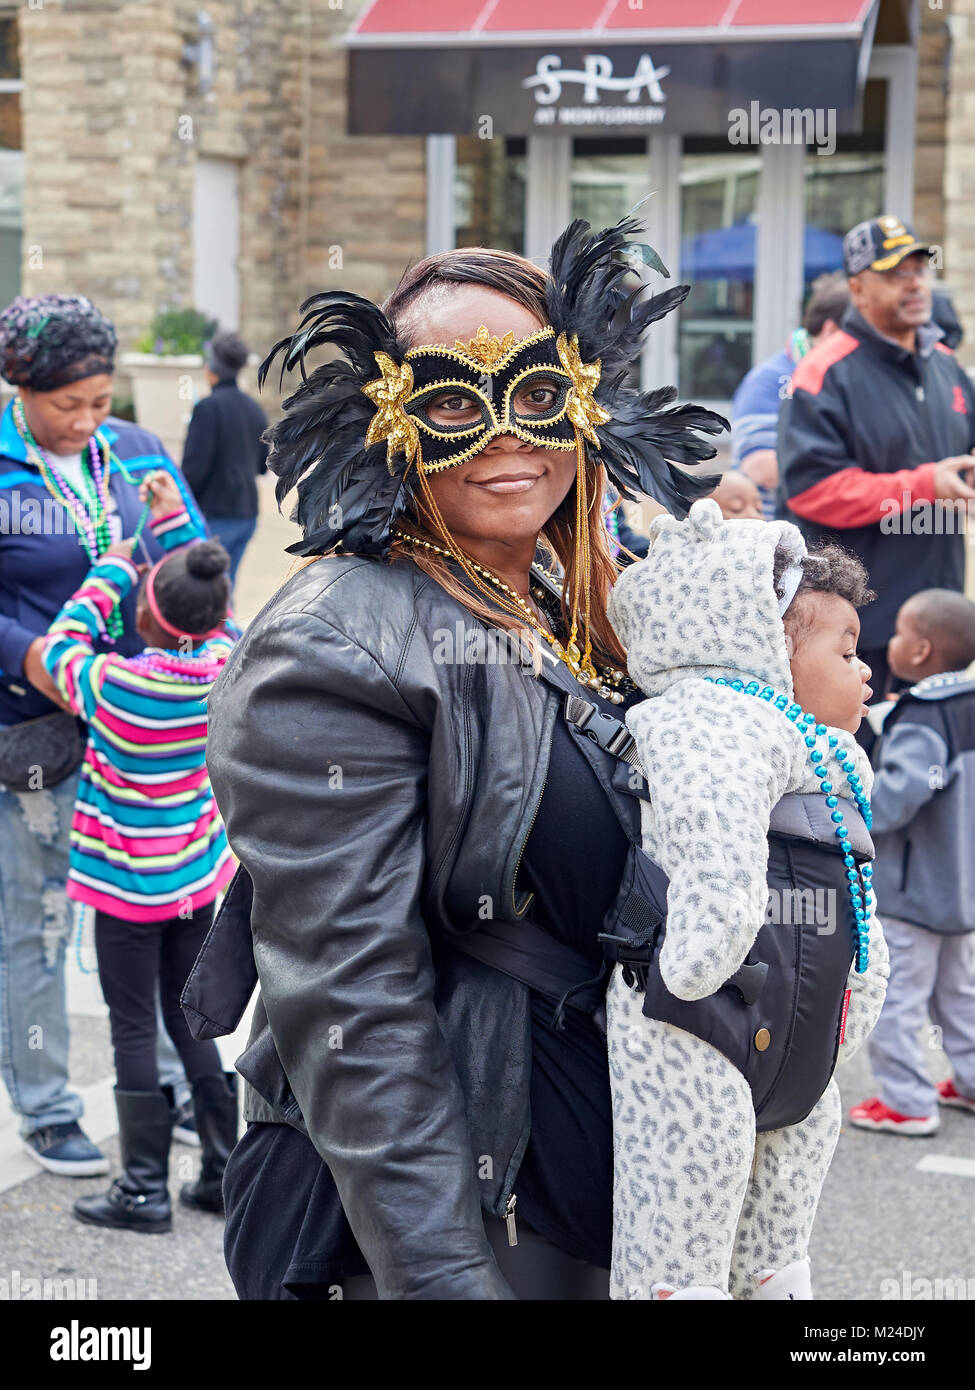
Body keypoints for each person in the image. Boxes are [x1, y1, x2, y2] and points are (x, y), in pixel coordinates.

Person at [180, 216, 725, 1300]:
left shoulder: (573, 599)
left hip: (577, 1187)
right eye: (447, 404)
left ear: (588, 395)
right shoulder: (331, 644)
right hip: (437, 1223)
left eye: (537, 396)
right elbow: (353, 1006)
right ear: (387, 423)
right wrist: (442, 1279)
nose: (502, 437)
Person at [604, 500, 888, 1299]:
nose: (863, 671)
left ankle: (771, 1278)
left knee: (793, 1171)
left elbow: (860, 901)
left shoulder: (831, 754)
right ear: (764, 649)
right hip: (697, 1015)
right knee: (692, 1180)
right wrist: (705, 944)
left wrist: (857, 989)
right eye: (844, 649)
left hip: (794, 1026)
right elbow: (712, 834)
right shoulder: (715, 720)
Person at [0, 294, 204, 1178]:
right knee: (40, 920)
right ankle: (46, 1104)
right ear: (19, 386)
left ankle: (164, 1085)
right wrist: (29, 655)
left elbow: (199, 577)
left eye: (98, 399)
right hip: (36, 731)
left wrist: (171, 522)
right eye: (66, 405)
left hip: (138, 732)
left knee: (154, 916)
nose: (87, 422)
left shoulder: (137, 451)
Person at [41, 468, 238, 1231]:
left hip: (125, 891)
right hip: (194, 880)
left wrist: (115, 565)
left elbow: (62, 640)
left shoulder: (114, 684)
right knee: (193, 1018)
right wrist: (176, 530)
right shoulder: (226, 669)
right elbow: (213, 603)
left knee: (132, 1028)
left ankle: (144, 1189)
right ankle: (222, 1170)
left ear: (143, 618)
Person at [777, 215, 975, 706]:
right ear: (858, 288)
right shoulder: (824, 371)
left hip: (936, 618)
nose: (913, 284)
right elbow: (811, 490)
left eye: (919, 269)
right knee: (860, 771)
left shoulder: (945, 363)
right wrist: (925, 485)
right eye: (895, 273)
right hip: (861, 628)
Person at [850, 589, 975, 1135]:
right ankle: (970, 1082)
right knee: (957, 995)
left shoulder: (922, 716)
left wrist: (851, 802)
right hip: (961, 888)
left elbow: (896, 802)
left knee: (897, 999)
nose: (890, 642)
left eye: (898, 633)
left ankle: (907, 1102)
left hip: (913, 893)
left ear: (921, 651)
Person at [731, 271, 850, 520]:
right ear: (830, 331)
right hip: (771, 539)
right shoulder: (770, 378)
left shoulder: (843, 380)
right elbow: (761, 467)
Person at [180, 331, 268, 590]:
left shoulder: (207, 408)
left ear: (211, 369)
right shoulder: (255, 409)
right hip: (247, 514)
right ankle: (224, 630)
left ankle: (215, 631)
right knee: (224, 586)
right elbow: (262, 465)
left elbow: (194, 471)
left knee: (205, 589)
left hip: (215, 515)